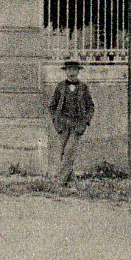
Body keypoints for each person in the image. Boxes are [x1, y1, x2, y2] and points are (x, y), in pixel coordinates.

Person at [48, 59, 95, 187]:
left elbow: (91, 107)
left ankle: (60, 182)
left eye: (74, 69)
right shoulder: (60, 87)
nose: (71, 72)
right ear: (65, 71)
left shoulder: (83, 87)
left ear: (78, 71)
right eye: (69, 70)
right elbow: (52, 106)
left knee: (69, 152)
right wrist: (56, 122)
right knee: (63, 153)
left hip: (77, 125)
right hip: (63, 125)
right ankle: (72, 181)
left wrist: (85, 122)